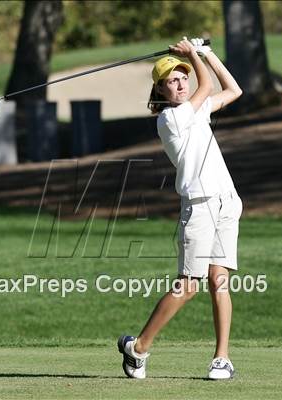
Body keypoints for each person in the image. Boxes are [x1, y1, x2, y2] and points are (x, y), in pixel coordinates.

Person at [117, 37, 243, 380]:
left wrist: (207, 54)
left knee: (219, 281)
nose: (181, 83)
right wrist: (192, 55)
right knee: (189, 286)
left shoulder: (195, 109)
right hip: (199, 205)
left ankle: (221, 358)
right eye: (172, 80)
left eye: (182, 77)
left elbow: (233, 90)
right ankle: (139, 348)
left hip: (227, 202)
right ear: (160, 90)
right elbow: (206, 86)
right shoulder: (170, 119)